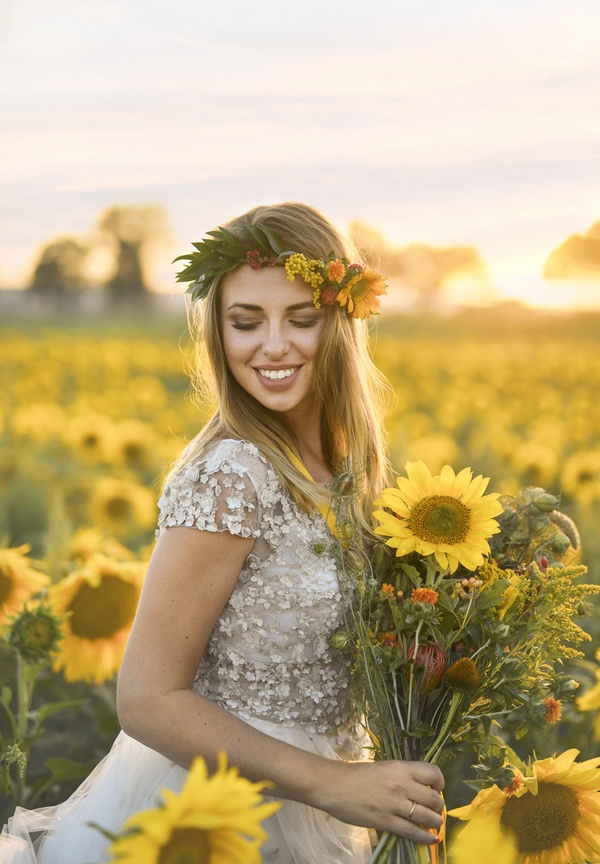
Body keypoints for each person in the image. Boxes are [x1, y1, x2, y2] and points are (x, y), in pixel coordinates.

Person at [1, 202, 444, 864]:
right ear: (218, 333)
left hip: (335, 797)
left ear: (344, 324)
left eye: (301, 319)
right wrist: (332, 785)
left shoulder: (348, 473)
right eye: (246, 322)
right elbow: (147, 700)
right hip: (218, 811)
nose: (272, 345)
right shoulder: (233, 472)